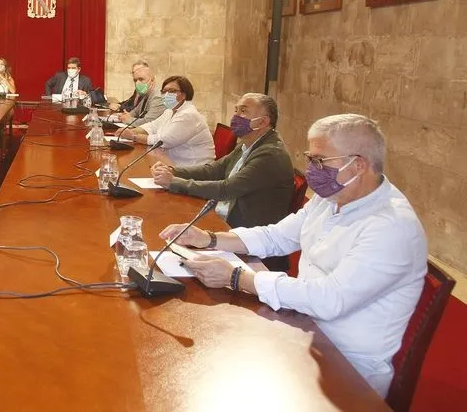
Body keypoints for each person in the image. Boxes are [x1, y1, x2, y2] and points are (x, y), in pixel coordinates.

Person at [159, 114, 427, 399]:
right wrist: (210, 238)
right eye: (311, 159)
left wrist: (237, 277)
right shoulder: (333, 197)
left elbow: (329, 300)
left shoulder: (391, 227)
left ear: (359, 165)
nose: (312, 170)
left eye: (320, 161)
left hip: (345, 369)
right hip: (302, 328)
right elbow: (278, 236)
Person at [151, 92, 293, 270]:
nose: (235, 116)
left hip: (248, 242)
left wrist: (174, 183)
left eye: (243, 111)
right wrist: (174, 171)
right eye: (236, 110)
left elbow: (228, 189)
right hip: (226, 221)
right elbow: (215, 169)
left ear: (262, 122)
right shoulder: (248, 143)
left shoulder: (270, 154)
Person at [121, 75, 214, 167]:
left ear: (184, 94)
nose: (166, 95)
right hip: (172, 165)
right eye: (164, 91)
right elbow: (152, 126)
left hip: (194, 170)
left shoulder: (189, 115)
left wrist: (133, 136)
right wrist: (128, 131)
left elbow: (164, 140)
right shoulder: (169, 111)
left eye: (172, 91)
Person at [112, 63, 165, 127]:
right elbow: (134, 113)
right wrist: (127, 116)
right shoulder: (146, 95)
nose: (137, 83)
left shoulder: (158, 97)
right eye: (135, 80)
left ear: (152, 81)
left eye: (141, 79)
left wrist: (128, 119)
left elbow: (148, 122)